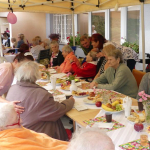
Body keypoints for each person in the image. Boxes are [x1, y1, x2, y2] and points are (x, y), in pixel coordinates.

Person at [6, 61, 75, 141]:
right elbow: (59, 110)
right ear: (36, 75)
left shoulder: (13, 88)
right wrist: (70, 101)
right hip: (34, 135)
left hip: (18, 131)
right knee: (55, 118)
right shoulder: (41, 95)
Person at [0, 103, 68, 150]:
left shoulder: (12, 129)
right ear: (1, 128)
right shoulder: (9, 145)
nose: (21, 121)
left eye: (18, 116)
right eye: (16, 119)